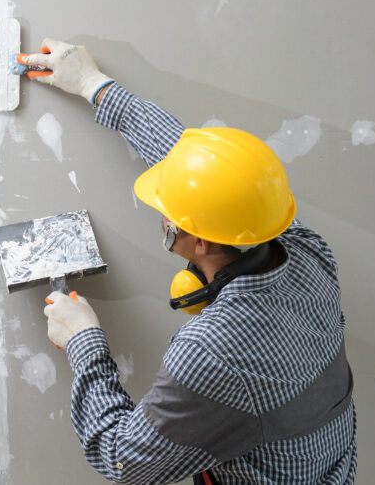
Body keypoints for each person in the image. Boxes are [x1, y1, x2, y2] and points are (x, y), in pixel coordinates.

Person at [20, 39, 356, 485]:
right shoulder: (307, 252)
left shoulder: (213, 351)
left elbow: (124, 458)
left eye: (168, 208)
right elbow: (201, 168)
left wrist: (84, 340)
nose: (161, 211)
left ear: (196, 239)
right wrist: (94, 85)